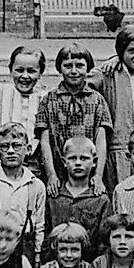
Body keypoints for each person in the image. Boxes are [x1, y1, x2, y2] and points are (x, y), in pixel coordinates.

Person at [37, 44, 112, 196]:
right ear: (59, 68)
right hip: (58, 172)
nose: (73, 71)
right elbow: (44, 141)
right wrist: (51, 175)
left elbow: (101, 140)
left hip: (87, 174)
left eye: (79, 66)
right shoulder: (49, 99)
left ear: (88, 68)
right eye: (68, 66)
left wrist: (98, 175)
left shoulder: (97, 100)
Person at [88, 25, 134, 194]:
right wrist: (113, 59)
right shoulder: (109, 74)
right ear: (121, 51)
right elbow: (85, 82)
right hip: (117, 149)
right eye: (132, 51)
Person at [0, 123, 46, 265]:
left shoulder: (36, 185)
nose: (11, 151)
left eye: (17, 146)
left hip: (25, 249)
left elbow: (39, 225)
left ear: (28, 149)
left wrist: (37, 255)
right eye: (5, 146)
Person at [45, 136, 111, 264]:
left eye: (84, 158)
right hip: (55, 267)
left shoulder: (100, 199)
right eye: (72, 158)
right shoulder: (54, 197)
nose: (78, 163)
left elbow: (104, 242)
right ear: (64, 162)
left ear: (94, 161)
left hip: (90, 267)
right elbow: (45, 237)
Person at [0, 46, 48, 180]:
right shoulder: (0, 92)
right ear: (10, 70)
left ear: (40, 73)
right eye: (19, 70)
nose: (25, 76)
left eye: (31, 71)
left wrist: (37, 140)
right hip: (2, 163)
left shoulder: (45, 98)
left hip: (33, 166)